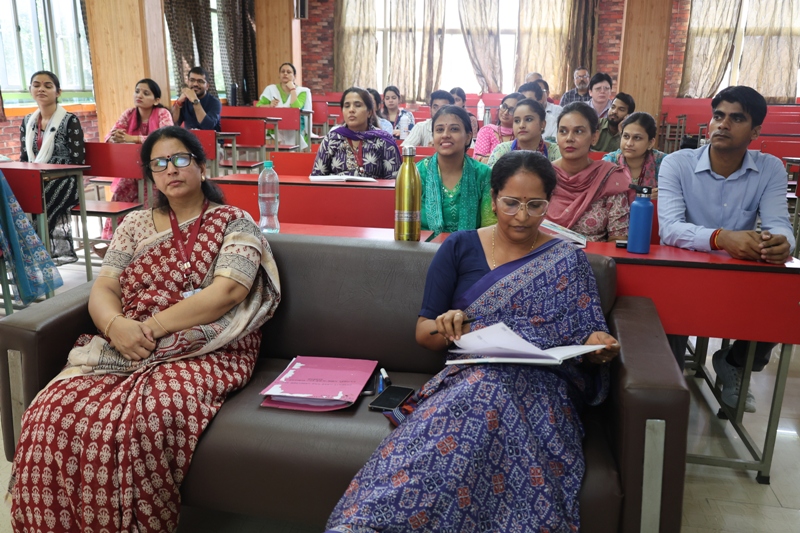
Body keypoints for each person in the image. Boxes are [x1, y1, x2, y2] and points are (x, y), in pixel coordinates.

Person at [325, 150, 620, 533]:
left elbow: (590, 335)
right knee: (482, 395)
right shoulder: (460, 247)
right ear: (493, 198)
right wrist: (450, 327)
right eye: (511, 203)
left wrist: (599, 347)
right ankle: (369, 521)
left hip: (545, 388)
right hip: (472, 377)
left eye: (535, 205)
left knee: (493, 397)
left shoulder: (568, 260)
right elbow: (424, 334)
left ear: (549, 203)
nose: (522, 216)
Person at [8, 126, 281, 532]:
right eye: (159, 164)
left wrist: (149, 327)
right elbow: (105, 286)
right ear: (151, 176)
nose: (171, 169)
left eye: (181, 159)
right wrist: (115, 325)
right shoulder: (134, 224)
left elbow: (228, 291)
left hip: (207, 344)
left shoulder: (233, 221)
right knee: (49, 409)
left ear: (202, 167)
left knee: (146, 417)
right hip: (127, 340)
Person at [658, 86, 795, 411]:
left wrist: (782, 243)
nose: (723, 124)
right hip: (684, 270)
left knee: (785, 294)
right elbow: (670, 228)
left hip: (738, 272)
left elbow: (779, 223)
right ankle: (666, 384)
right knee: (665, 302)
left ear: (756, 131)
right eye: (718, 116)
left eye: (737, 118)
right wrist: (721, 238)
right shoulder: (677, 163)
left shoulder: (770, 168)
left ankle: (736, 362)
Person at [18, 70, 85, 264]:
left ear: (58, 92)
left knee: (38, 197)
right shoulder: (27, 121)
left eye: (48, 86)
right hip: (37, 179)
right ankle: (26, 252)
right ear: (30, 90)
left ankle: (35, 255)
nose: (41, 89)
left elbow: (78, 161)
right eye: (36, 85)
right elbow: (24, 158)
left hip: (66, 180)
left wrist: (49, 175)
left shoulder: (70, 120)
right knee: (12, 196)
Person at [101, 78, 174, 240]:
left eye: (145, 93)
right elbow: (110, 136)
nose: (139, 95)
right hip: (131, 170)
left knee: (151, 201)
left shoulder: (163, 113)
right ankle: (114, 240)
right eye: (137, 91)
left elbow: (165, 138)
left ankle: (150, 239)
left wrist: (132, 139)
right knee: (119, 197)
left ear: (156, 100)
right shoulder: (128, 114)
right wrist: (116, 137)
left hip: (157, 169)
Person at [549, 102, 631, 242]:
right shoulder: (543, 176)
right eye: (563, 131)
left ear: (595, 137)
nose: (569, 138)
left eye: (578, 131)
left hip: (595, 255)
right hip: (545, 254)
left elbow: (618, 240)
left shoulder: (608, 178)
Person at [418, 105, 494, 233]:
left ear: (468, 137)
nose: (445, 135)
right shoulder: (417, 173)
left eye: (454, 129)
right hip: (424, 245)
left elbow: (489, 227)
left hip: (469, 244)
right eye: (439, 130)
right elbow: (406, 224)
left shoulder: (483, 173)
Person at [312, 87, 401, 179]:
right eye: (347, 106)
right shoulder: (332, 139)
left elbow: (394, 180)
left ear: (369, 112)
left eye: (358, 105)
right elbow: (317, 177)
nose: (351, 110)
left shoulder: (384, 140)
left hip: (375, 188)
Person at [603, 112, 667, 198]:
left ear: (650, 143)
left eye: (637, 138)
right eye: (626, 136)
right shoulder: (609, 162)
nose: (629, 143)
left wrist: (663, 194)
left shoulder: (664, 163)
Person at [487, 99, 561, 167]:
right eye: (517, 121)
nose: (521, 125)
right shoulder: (502, 151)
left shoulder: (556, 153)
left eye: (528, 119)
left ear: (542, 124)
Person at [257, 62, 312, 149]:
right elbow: (258, 107)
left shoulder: (302, 91)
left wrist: (292, 89)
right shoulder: (271, 89)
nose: (285, 74)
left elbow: (296, 108)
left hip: (296, 127)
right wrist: (269, 105)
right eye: (283, 72)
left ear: (294, 76)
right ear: (279, 75)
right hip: (276, 128)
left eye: (289, 72)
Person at [473, 92, 523, 163]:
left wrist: (494, 158)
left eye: (512, 110)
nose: (505, 112)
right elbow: (478, 161)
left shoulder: (522, 133)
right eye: (504, 107)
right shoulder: (487, 131)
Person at [171, 66, 221, 132]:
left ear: (207, 86)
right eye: (192, 80)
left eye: (200, 81)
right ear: (188, 82)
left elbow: (207, 126)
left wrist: (195, 100)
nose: (195, 84)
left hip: (211, 137)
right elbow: (173, 123)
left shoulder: (214, 102)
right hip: (189, 137)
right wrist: (179, 103)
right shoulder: (184, 100)